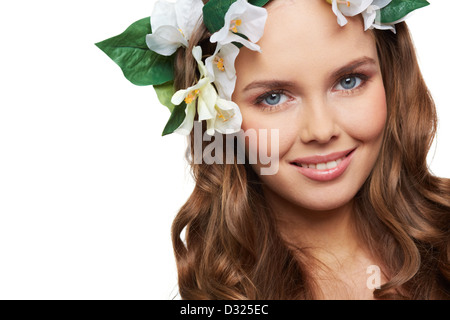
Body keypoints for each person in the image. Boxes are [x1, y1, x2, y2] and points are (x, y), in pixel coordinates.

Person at [97, 0, 450, 299]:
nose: (322, 130)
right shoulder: (222, 292)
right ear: (220, 116)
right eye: (273, 97)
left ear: (391, 78)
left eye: (349, 81)